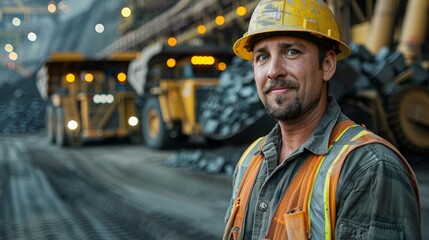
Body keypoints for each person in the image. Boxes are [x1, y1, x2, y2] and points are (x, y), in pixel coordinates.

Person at [223, 0, 421, 239]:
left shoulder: (369, 169)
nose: (273, 70)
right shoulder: (250, 161)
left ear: (327, 65)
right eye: (262, 57)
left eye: (291, 52)